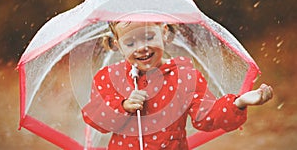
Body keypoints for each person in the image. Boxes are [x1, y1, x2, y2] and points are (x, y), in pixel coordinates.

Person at [82, 21, 273, 149]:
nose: (141, 47)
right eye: (130, 43)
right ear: (118, 45)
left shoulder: (185, 77)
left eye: (149, 37)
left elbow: (206, 116)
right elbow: (96, 117)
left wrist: (238, 102)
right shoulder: (109, 77)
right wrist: (122, 106)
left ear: (164, 33)